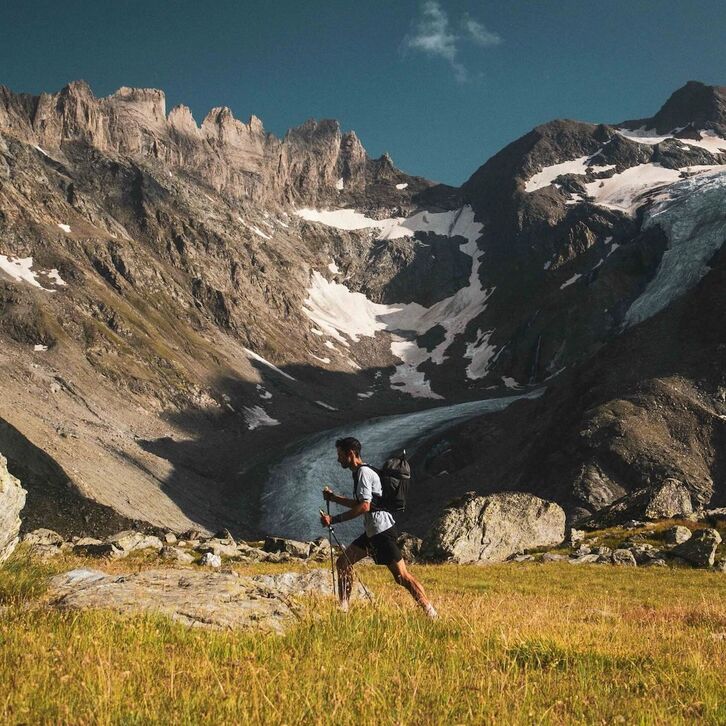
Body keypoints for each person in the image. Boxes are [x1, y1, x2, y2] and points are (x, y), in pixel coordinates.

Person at [319, 436, 437, 619]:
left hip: (381, 531)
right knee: (343, 562)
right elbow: (362, 503)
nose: (338, 459)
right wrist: (334, 498)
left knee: (402, 577)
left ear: (350, 454)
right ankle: (343, 610)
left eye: (340, 455)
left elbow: (364, 506)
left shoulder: (363, 473)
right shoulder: (362, 472)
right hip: (374, 531)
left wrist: (334, 520)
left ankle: (431, 612)